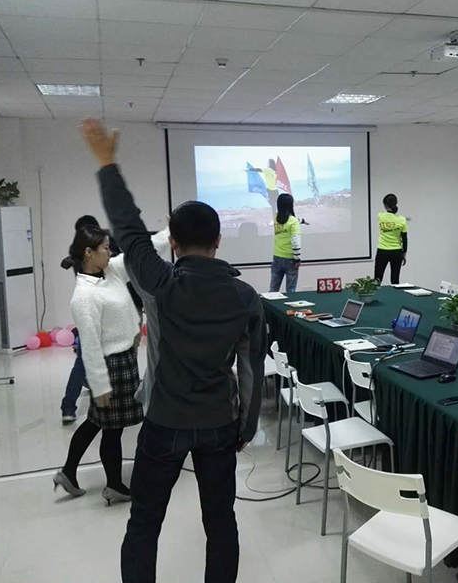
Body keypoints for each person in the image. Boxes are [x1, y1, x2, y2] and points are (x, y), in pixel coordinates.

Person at [79, 118, 267, 583]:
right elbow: (251, 369)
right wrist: (246, 426)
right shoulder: (246, 298)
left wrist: (107, 163)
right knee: (221, 523)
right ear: (218, 241)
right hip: (220, 425)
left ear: (174, 243)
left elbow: (129, 231)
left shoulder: (160, 284)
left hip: (164, 423)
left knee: (144, 524)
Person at [53, 224, 158, 504]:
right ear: (89, 253)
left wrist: (172, 233)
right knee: (112, 429)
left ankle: (68, 472)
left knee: (96, 422)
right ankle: (114, 485)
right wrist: (99, 385)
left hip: (123, 360)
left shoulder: (109, 272)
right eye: (105, 248)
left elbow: (136, 255)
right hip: (111, 366)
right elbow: (89, 347)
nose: (110, 252)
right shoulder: (84, 296)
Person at [60, 215, 145, 424]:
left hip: (121, 307)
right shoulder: (90, 255)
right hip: (108, 311)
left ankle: (74, 405)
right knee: (90, 358)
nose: (107, 251)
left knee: (119, 355)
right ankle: (74, 404)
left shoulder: (90, 251)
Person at [270, 193, 301, 293]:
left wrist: (302, 220)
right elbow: (295, 241)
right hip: (290, 259)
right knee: (291, 291)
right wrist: (297, 259)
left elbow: (291, 220)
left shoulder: (275, 218)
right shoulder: (293, 222)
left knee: (273, 289)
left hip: (277, 257)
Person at [375, 193, 408, 285]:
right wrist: (404, 253)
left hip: (382, 251)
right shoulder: (402, 220)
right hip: (397, 252)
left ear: (385, 205)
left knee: (377, 279)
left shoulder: (380, 216)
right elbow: (404, 239)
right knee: (395, 280)